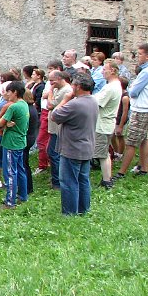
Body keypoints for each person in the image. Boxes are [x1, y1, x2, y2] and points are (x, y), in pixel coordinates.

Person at [50, 72, 99, 216]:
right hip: (87, 147)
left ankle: (70, 212)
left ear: (77, 86)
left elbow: (54, 115)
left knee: (68, 181)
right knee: (83, 180)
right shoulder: (93, 101)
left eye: (73, 85)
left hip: (72, 148)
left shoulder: (75, 104)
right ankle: (84, 209)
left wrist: (65, 99)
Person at [115, 43, 148, 179]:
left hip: (141, 110)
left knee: (131, 142)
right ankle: (144, 169)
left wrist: (131, 88)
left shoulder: (146, 72)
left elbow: (133, 92)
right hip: (146, 108)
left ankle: (121, 172)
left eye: (140, 54)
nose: (137, 57)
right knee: (144, 139)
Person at [0, 81, 29, 209]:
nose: (7, 94)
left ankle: (10, 201)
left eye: (8, 92)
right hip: (21, 141)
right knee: (20, 169)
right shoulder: (24, 104)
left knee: (11, 172)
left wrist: (5, 124)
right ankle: (23, 195)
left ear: (15, 92)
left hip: (11, 142)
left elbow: (0, 122)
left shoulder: (13, 107)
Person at [95, 60, 123, 190]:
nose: (102, 72)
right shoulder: (115, 85)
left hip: (102, 124)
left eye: (104, 69)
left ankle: (107, 180)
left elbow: (98, 102)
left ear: (112, 70)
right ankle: (106, 179)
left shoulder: (111, 87)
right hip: (107, 123)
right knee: (104, 153)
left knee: (102, 154)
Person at [46, 70, 73, 190]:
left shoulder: (66, 90)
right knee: (52, 152)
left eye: (52, 80)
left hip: (59, 128)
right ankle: (56, 178)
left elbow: (50, 105)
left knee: (54, 153)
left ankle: (57, 181)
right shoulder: (58, 89)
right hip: (53, 127)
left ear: (59, 78)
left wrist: (50, 92)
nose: (50, 83)